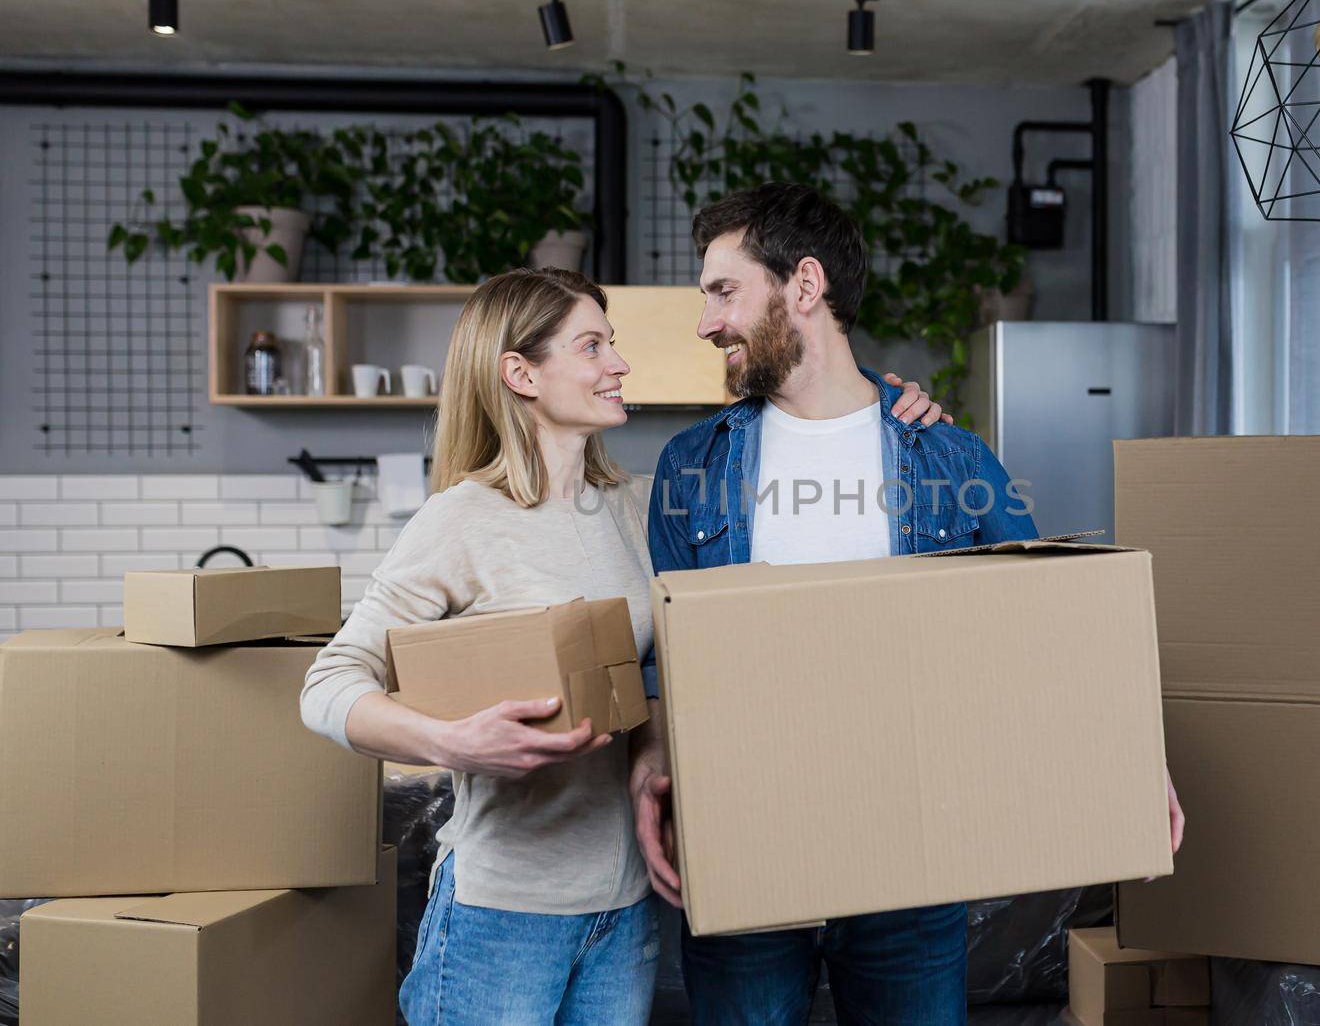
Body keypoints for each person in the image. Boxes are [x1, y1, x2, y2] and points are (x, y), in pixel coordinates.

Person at [299, 266, 947, 1026]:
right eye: (593, 346)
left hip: (627, 913)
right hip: (505, 913)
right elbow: (328, 684)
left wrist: (887, 406)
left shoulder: (641, 506)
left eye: (613, 344)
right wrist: (451, 741)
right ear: (521, 373)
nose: (619, 364)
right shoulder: (462, 519)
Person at [638, 183, 1187, 1025]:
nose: (707, 322)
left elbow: (1050, 618)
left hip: (908, 855)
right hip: (747, 839)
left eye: (724, 291)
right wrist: (651, 759)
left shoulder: (946, 455)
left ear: (805, 285)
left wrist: (1129, 759)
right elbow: (666, 659)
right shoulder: (690, 466)